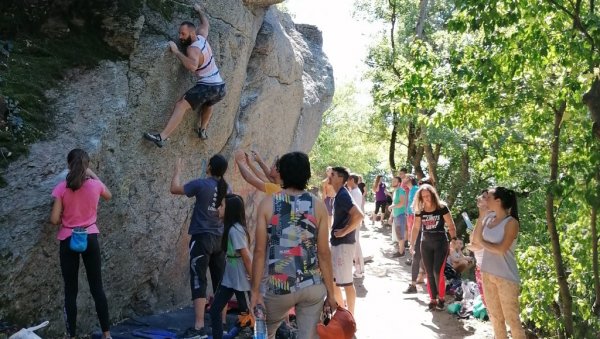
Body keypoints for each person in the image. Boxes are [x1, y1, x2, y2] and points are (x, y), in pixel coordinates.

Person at [250, 152, 337, 339]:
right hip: (312, 286)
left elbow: (259, 252)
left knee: (265, 333)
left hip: (279, 287)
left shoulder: (267, 204)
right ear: (307, 174)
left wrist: (255, 291)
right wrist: (331, 293)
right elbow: (324, 253)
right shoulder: (318, 206)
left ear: (282, 174)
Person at [50, 149, 112, 339]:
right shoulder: (95, 186)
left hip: (68, 238)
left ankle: (72, 336)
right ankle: (107, 334)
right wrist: (93, 174)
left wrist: (67, 220)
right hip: (90, 237)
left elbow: (53, 220)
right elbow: (108, 195)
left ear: (69, 165)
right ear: (86, 166)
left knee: (71, 291)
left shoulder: (61, 188)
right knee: (97, 287)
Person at [143, 4, 226, 147]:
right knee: (209, 102)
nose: (180, 37)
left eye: (183, 34)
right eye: (180, 33)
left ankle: (162, 137)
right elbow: (205, 23)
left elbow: (192, 66)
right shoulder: (202, 36)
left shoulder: (192, 49)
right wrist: (200, 11)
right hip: (220, 87)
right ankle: (203, 129)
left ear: (191, 33)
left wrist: (176, 51)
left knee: (181, 105)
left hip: (208, 86)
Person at [170, 154, 228, 338]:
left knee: (199, 278)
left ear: (209, 167)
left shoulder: (201, 184)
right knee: (220, 281)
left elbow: (175, 189)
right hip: (219, 238)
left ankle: (199, 326)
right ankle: (223, 323)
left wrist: (177, 170)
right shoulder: (227, 188)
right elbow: (225, 214)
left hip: (201, 238)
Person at [472, 187, 526, 339]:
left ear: (498, 201)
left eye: (487, 196)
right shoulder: (488, 218)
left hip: (506, 277)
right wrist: (481, 216)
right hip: (487, 273)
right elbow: (476, 240)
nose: (484, 199)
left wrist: (483, 242)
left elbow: (501, 249)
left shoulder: (511, 222)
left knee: (513, 320)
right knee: (495, 319)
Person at [209, 194, 252, 339]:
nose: (218, 208)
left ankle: (246, 332)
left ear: (230, 211)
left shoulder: (235, 230)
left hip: (241, 279)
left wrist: (254, 281)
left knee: (248, 314)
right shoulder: (231, 229)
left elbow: (246, 256)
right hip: (230, 277)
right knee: (215, 310)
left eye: (221, 206)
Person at [409, 184, 457, 310]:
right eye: (424, 196)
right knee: (429, 273)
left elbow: (451, 225)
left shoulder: (442, 207)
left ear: (433, 195)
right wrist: (412, 243)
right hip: (425, 243)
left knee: (437, 271)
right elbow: (415, 227)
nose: (426, 198)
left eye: (428, 195)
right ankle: (433, 299)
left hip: (441, 242)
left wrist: (454, 239)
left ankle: (441, 297)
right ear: (420, 198)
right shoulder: (420, 210)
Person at [329, 167, 364, 315]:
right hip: (338, 244)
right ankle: (342, 313)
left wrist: (344, 231)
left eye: (333, 174)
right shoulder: (339, 195)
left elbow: (359, 215)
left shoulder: (343, 194)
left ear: (341, 178)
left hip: (344, 245)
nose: (330, 176)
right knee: (334, 281)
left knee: (347, 283)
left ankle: (351, 318)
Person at [467, 190, 493, 305]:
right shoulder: (484, 218)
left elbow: (475, 245)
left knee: (492, 304)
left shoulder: (491, 219)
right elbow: (473, 244)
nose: (479, 198)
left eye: (483, 197)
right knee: (487, 303)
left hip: (488, 268)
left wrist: (471, 245)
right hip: (481, 266)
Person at [347, 174, 365, 279]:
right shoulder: (355, 191)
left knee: (356, 244)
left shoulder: (354, 192)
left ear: (352, 180)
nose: (347, 182)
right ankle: (359, 269)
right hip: (355, 221)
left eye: (348, 180)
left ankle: (358, 269)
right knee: (356, 244)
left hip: (354, 221)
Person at [388, 176, 407, 257]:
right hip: (396, 215)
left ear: (399, 183)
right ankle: (400, 250)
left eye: (395, 181)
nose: (393, 182)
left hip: (400, 215)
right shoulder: (395, 191)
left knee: (400, 234)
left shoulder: (401, 191)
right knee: (398, 234)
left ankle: (401, 252)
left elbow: (402, 203)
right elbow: (394, 204)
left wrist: (392, 207)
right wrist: (391, 216)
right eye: (393, 181)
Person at [404, 175, 418, 265]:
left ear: (410, 179)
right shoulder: (411, 189)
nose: (404, 180)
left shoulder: (416, 188)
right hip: (409, 215)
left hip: (414, 216)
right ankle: (413, 257)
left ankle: (415, 258)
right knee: (410, 236)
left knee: (414, 236)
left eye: (406, 178)